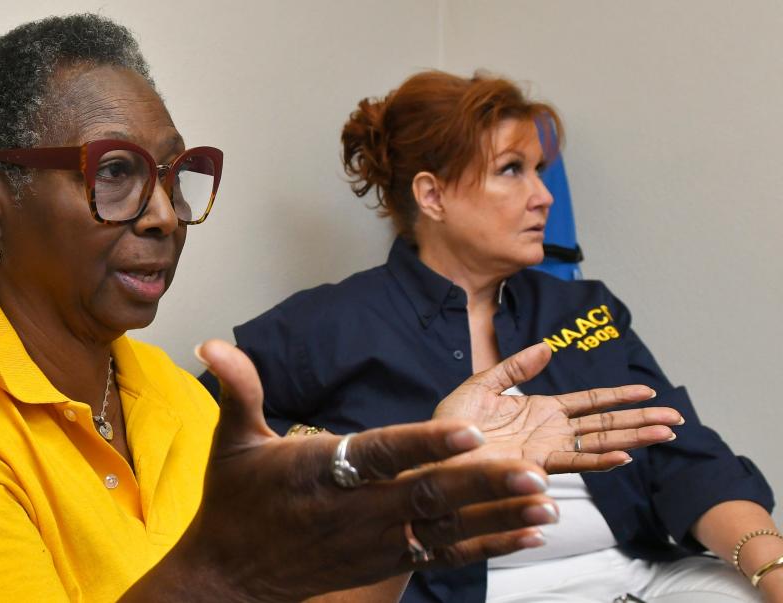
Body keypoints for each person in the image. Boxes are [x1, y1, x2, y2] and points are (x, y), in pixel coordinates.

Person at [0, 16, 689, 603]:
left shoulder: (164, 393)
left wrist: (414, 505)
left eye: (173, 172)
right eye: (116, 172)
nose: (164, 211)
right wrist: (224, 571)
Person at [201, 71, 782, 602]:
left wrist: (770, 570)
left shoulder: (583, 310)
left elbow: (686, 456)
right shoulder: (330, 322)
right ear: (432, 196)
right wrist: (328, 453)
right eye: (512, 170)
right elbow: (195, 427)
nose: (544, 197)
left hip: (646, 576)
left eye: (539, 170)